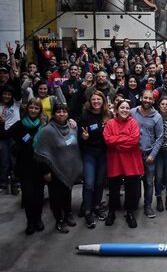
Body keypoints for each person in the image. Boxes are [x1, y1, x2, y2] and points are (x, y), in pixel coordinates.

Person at [35, 103, 83, 234]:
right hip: (54, 171)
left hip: (69, 169)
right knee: (56, 196)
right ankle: (59, 220)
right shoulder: (47, 131)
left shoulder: (72, 127)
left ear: (68, 114)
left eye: (64, 111)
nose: (61, 114)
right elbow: (42, 154)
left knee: (67, 193)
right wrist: (46, 172)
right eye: (58, 112)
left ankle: (68, 213)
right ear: (54, 114)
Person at [7, 98, 46, 234]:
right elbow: (7, 137)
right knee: (28, 196)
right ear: (27, 109)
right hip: (24, 166)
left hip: (39, 166)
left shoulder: (43, 125)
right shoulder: (19, 125)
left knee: (39, 195)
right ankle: (30, 222)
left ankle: (38, 219)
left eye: (36, 108)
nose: (34, 110)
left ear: (40, 110)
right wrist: (19, 146)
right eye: (31, 107)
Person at [103, 99, 143, 228]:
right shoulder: (110, 123)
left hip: (130, 160)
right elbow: (108, 140)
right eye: (122, 108)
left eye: (127, 108)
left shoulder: (133, 123)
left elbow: (134, 141)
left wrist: (117, 143)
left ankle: (130, 212)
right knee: (113, 188)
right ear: (116, 110)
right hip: (115, 160)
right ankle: (112, 211)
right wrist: (124, 138)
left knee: (131, 188)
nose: (125, 110)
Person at [79, 90, 112, 229]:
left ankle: (97, 206)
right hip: (89, 153)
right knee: (89, 183)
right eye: (94, 99)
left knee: (99, 182)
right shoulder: (85, 116)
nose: (96, 102)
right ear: (90, 101)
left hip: (103, 153)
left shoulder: (107, 116)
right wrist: (84, 137)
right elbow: (80, 137)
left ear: (103, 101)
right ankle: (87, 211)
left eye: (99, 99)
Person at [130, 90, 164, 219]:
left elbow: (160, 137)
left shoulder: (157, 117)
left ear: (153, 101)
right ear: (141, 98)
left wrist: (153, 155)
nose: (147, 100)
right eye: (145, 98)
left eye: (150, 99)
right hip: (134, 155)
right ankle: (133, 205)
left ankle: (148, 205)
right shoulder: (132, 112)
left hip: (149, 155)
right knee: (133, 182)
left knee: (149, 182)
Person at [155, 97, 167, 212]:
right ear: (159, 105)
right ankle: (158, 198)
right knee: (158, 176)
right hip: (157, 151)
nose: (164, 106)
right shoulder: (155, 117)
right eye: (162, 104)